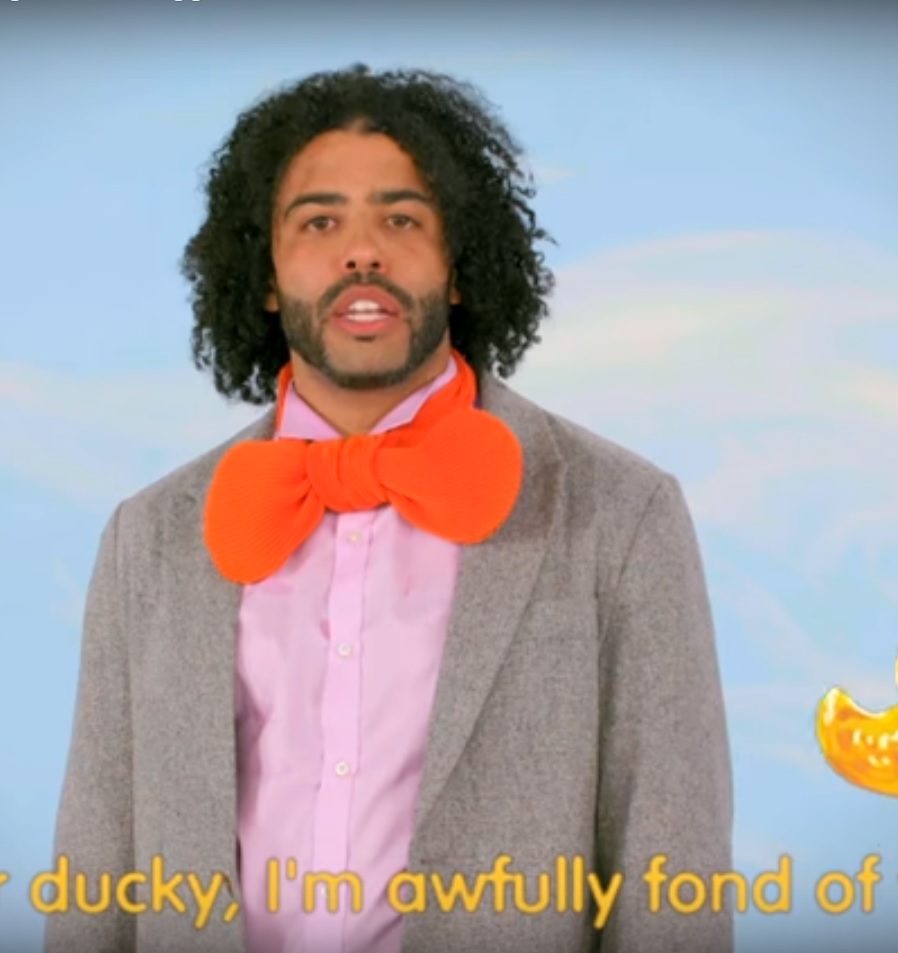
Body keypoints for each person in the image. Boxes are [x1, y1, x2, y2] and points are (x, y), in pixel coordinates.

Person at [45, 64, 733, 953]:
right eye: (319, 221)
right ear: (264, 274)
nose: (362, 252)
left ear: (459, 266)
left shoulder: (624, 515)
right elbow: (95, 872)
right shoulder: (148, 536)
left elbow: (674, 875)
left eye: (402, 219)